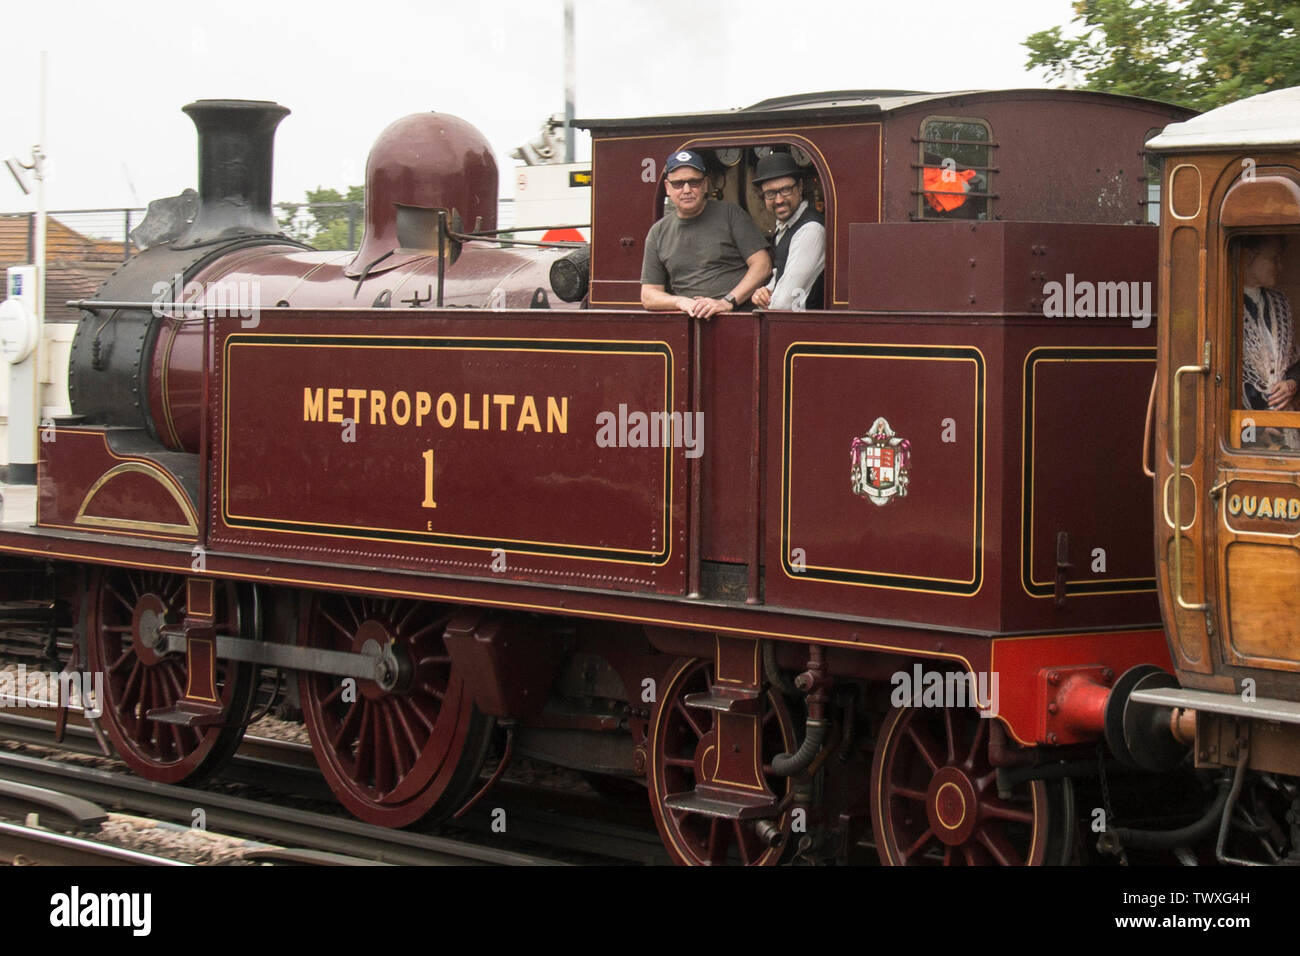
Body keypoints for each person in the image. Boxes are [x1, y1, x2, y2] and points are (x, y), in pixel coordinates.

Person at [641, 150, 771, 319]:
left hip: (738, 318)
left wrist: (727, 302)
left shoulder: (731, 215)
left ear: (705, 184)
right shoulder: (657, 233)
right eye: (678, 184)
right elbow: (648, 295)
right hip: (686, 324)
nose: (686, 189)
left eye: (694, 182)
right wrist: (681, 302)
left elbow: (762, 265)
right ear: (667, 187)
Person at [1240, 235, 1300, 448]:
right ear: (1248, 257)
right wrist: (1255, 432)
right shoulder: (1224, 301)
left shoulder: (1280, 303)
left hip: (1286, 428)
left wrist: (1291, 384)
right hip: (1241, 436)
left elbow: (1294, 362)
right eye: (1274, 259)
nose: (1280, 266)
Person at [750, 152, 826, 310]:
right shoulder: (785, 227)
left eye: (785, 190)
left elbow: (784, 302)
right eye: (770, 193)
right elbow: (781, 278)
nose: (778, 200)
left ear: (799, 187)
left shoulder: (810, 230)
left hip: (805, 331)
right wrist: (764, 292)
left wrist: (766, 304)